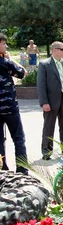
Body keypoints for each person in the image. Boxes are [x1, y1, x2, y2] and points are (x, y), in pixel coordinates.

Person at [37, 41, 63, 159]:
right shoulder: (44, 64)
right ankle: (46, 151)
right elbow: (41, 85)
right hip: (50, 100)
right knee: (49, 126)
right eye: (62, 49)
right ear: (54, 50)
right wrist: (44, 102)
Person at [0, 34, 28, 173]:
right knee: (18, 138)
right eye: (4, 44)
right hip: (10, 108)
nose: (6, 46)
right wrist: (11, 59)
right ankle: (22, 169)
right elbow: (23, 73)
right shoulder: (5, 62)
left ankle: (2, 168)